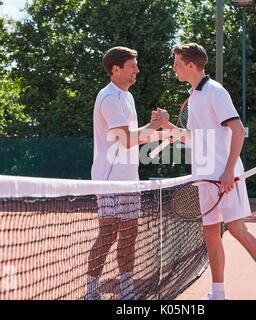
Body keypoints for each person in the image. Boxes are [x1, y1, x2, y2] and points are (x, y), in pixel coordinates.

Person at [153, 43, 256, 300]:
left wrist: (229, 170)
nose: (174, 67)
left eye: (177, 62)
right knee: (210, 233)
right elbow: (191, 138)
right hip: (205, 177)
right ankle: (218, 294)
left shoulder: (214, 92)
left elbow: (238, 130)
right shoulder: (195, 95)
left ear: (191, 65)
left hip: (223, 175)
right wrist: (168, 126)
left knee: (237, 229)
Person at [86, 46, 169, 300]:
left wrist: (161, 133)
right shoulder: (109, 98)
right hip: (109, 179)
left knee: (130, 233)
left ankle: (126, 291)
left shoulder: (127, 96)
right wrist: (156, 125)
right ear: (115, 69)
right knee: (108, 233)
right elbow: (127, 140)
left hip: (129, 178)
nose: (137, 70)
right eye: (132, 66)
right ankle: (91, 291)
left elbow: (134, 138)